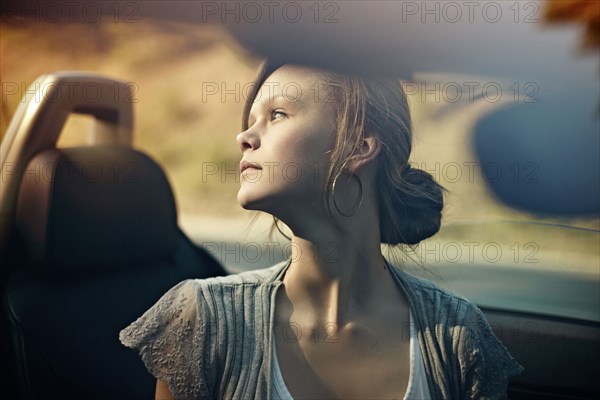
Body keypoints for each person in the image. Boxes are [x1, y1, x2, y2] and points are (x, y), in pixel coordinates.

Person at [119, 61, 524, 399]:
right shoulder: (202, 322)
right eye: (250, 120)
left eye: (277, 114)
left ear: (359, 146)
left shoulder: (455, 337)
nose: (244, 136)